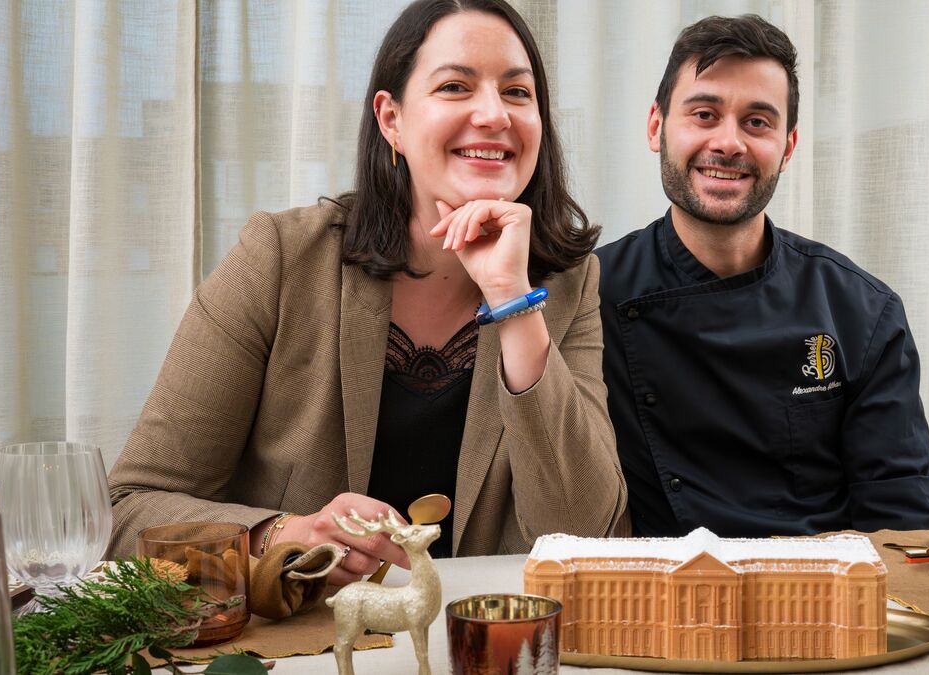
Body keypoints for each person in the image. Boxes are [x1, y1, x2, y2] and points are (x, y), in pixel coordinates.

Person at [108, 0, 627, 584]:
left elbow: (587, 534)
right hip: (307, 630)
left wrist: (511, 299)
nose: (493, 114)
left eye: (517, 92)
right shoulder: (280, 257)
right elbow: (130, 508)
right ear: (391, 119)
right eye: (455, 87)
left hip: (477, 627)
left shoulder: (568, 282)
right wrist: (285, 535)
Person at [596, 15, 929, 538]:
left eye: (757, 122)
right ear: (656, 127)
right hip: (661, 584)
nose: (729, 143)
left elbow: (903, 523)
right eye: (704, 114)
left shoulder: (862, 311)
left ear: (787, 147)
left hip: (820, 585)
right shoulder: (591, 296)